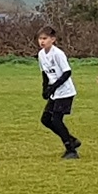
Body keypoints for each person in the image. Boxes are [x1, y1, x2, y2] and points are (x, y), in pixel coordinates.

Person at [38, 25, 81, 159]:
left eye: (45, 38)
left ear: (53, 39)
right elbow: (45, 73)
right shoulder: (41, 54)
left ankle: (71, 150)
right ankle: (71, 140)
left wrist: (53, 87)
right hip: (55, 92)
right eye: (40, 38)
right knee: (45, 119)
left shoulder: (57, 54)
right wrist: (45, 89)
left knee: (56, 120)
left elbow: (67, 72)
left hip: (65, 92)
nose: (42, 41)